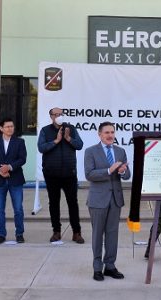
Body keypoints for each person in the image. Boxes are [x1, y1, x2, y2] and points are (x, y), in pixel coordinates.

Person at [84, 122, 131, 281]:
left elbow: (127, 175)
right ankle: (97, 268)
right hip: (98, 200)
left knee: (112, 234)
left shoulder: (120, 151)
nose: (110, 135)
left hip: (115, 200)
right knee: (97, 235)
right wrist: (109, 170)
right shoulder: (90, 151)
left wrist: (123, 171)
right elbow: (89, 174)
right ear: (99, 134)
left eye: (112, 132)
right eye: (107, 133)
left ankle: (110, 266)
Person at [37, 107, 85, 244]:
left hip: (69, 173)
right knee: (54, 203)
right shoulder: (45, 131)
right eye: (56, 114)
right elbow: (41, 148)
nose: (59, 116)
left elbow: (80, 145)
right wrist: (56, 141)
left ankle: (77, 232)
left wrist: (68, 138)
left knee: (73, 203)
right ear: (51, 116)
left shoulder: (71, 128)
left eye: (61, 114)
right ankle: (56, 231)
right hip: (51, 173)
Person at [0, 118, 27, 244]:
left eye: (12, 126)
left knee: (18, 209)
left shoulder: (20, 142)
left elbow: (22, 159)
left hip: (16, 179)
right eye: (7, 126)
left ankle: (19, 233)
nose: (10, 128)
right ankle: (1, 234)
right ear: (1, 128)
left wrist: (9, 167)